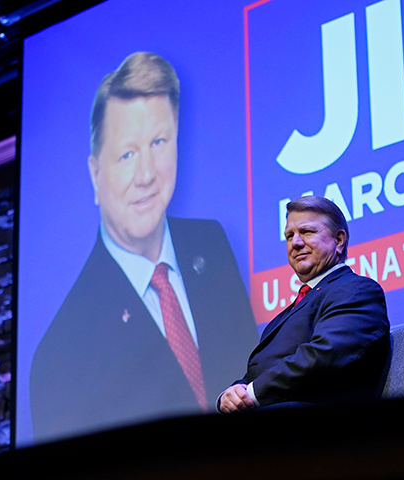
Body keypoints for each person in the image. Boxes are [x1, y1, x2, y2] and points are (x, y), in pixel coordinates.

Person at [30, 52, 258, 442]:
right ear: (95, 173)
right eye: (127, 154)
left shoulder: (211, 243)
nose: (147, 174)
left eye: (158, 142)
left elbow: (250, 371)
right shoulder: (60, 353)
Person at [218, 196, 390, 412]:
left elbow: (325, 355)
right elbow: (257, 374)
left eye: (307, 232)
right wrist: (233, 393)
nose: (296, 243)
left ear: (339, 240)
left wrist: (252, 394)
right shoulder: (288, 312)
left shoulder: (356, 290)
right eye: (289, 236)